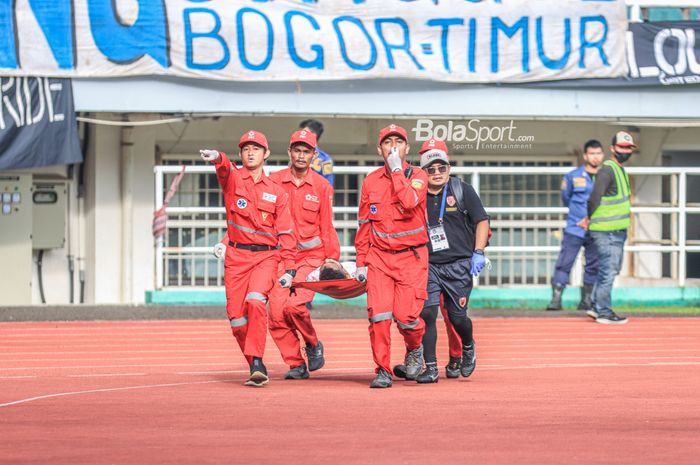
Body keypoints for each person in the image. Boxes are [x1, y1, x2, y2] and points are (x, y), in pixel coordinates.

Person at [199, 130, 297, 387]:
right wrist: (217, 158)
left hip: (266, 257)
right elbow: (224, 169)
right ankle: (255, 360)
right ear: (240, 154)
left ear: (266, 154)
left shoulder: (276, 191)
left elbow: (286, 232)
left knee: (255, 301)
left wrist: (289, 268)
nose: (250, 152)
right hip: (236, 257)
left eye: (256, 148)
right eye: (245, 148)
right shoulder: (233, 180)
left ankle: (256, 362)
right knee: (236, 318)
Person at [394, 138, 490, 383]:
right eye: (430, 169)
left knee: (457, 317)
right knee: (427, 313)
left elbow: (481, 220)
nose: (437, 173)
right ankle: (431, 367)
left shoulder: (462, 190)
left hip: (458, 265)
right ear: (422, 171)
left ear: (449, 168)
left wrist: (478, 252)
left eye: (442, 168)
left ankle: (467, 346)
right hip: (428, 264)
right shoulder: (416, 191)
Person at [355, 124, 429, 388]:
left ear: (407, 149)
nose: (393, 147)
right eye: (388, 143)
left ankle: (414, 348)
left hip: (411, 258)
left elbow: (409, 201)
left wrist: (397, 170)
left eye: (399, 142)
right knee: (379, 317)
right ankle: (383, 370)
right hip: (379, 259)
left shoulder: (418, 175)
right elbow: (365, 223)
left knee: (407, 317)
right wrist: (361, 262)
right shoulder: (371, 181)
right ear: (380, 149)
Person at [267, 129, 341, 380]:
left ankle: (312, 343)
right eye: (296, 150)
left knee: (295, 306)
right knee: (276, 312)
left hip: (312, 257)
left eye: (306, 151)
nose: (301, 155)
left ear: (313, 155)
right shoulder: (273, 181)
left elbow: (326, 225)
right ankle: (295, 363)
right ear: (289, 152)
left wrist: (332, 258)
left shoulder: (321, 186)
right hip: (281, 258)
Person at [578, 131, 637, 325]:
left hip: (614, 231)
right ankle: (603, 310)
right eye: (621, 147)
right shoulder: (608, 170)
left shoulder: (617, 170)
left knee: (609, 269)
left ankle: (596, 306)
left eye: (628, 148)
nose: (625, 151)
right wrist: (589, 218)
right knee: (608, 271)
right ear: (612, 149)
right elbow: (594, 197)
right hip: (607, 231)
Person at [546, 140, 604, 311]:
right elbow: (566, 198)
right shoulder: (573, 176)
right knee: (565, 262)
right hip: (575, 227)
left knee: (593, 264)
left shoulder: (605, 176)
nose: (595, 157)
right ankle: (556, 299)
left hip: (597, 228)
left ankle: (586, 300)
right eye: (592, 154)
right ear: (585, 155)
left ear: (602, 155)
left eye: (598, 153)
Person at [300, 119, 334, 187]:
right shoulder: (296, 153)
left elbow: (329, 183)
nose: (300, 135)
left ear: (314, 135)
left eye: (303, 132)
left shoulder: (326, 159)